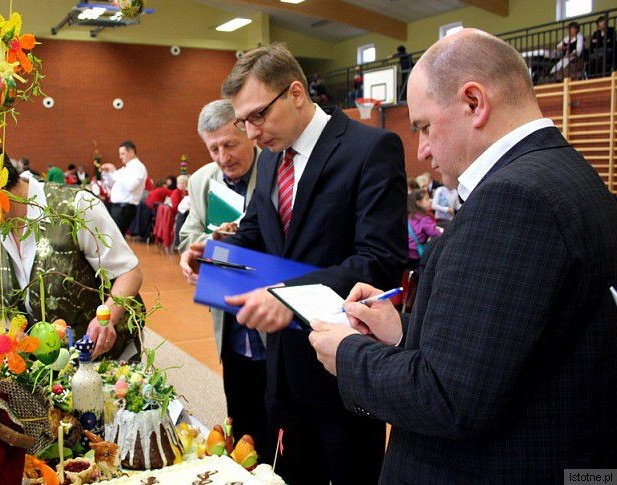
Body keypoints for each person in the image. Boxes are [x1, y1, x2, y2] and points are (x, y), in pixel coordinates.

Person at [308, 29, 617, 481]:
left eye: (424, 127)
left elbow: (449, 399)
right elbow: (506, 347)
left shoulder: (514, 197)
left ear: (474, 103)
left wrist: (349, 355)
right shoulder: (570, 174)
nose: (423, 150)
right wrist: (401, 332)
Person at [180, 44, 407, 484]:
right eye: (243, 121)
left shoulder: (369, 148)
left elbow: (379, 261)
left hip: (344, 371)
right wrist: (212, 252)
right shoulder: (268, 159)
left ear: (297, 93)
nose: (251, 131)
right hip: (282, 369)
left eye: (257, 116)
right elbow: (256, 231)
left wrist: (288, 296)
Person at [0, 139, 144, 360]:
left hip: (102, 361)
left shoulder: (75, 207)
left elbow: (129, 272)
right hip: (40, 373)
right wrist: (7, 332)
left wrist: (106, 318)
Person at [178, 99, 266, 460]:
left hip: (273, 310)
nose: (223, 156)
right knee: (241, 410)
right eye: (213, 148)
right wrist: (197, 249)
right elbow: (188, 234)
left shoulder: (276, 169)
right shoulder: (201, 181)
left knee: (280, 417)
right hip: (229, 317)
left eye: (230, 144)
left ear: (248, 132)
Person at [100, 141, 148, 234]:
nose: (120, 156)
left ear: (131, 152)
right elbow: (112, 185)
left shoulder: (138, 167)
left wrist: (114, 172)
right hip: (117, 207)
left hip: (124, 208)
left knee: (114, 237)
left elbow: (130, 186)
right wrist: (107, 173)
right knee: (113, 237)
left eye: (122, 153)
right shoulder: (125, 168)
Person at [407, 189, 442, 269]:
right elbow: (435, 233)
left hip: (408, 251)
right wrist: (440, 231)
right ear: (418, 203)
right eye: (426, 199)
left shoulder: (410, 216)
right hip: (418, 253)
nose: (430, 201)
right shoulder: (424, 218)